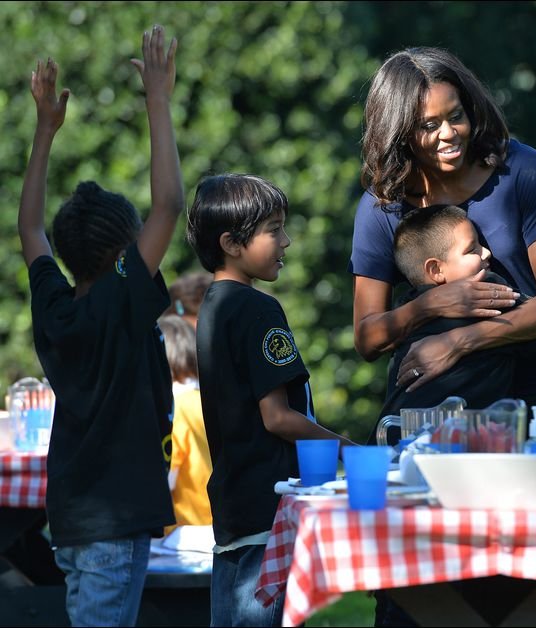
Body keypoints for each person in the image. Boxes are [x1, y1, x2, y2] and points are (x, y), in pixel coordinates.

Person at [349, 46, 536, 627]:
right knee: (427, 564)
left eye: (456, 115)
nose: (449, 134)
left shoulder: (525, 171)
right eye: (428, 124)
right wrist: (434, 306)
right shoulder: (383, 205)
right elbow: (368, 337)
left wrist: (461, 340)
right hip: (446, 401)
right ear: (398, 130)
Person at [17, 27, 182, 626]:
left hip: (73, 517)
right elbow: (168, 206)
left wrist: (45, 130)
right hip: (114, 522)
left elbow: (30, 230)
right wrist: (157, 100)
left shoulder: (56, 307)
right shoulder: (120, 299)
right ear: (122, 250)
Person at [185, 172, 358, 626]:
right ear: (232, 243)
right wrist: (352, 449)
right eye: (273, 229)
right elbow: (278, 418)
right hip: (269, 506)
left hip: (234, 506)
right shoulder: (258, 308)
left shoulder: (212, 306)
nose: (286, 241)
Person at [375, 203, 536, 426]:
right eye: (472, 250)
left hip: (396, 436)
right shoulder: (485, 295)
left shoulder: (406, 306)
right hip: (456, 445)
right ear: (436, 270)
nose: (487, 253)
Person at [157, 313, 212, 533]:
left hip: (182, 530)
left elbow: (164, 483)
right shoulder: (211, 401)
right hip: (217, 524)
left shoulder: (173, 408)